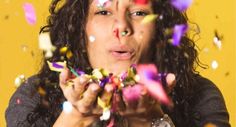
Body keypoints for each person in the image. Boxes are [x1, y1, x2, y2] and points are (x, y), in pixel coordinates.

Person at [5, 0, 230, 127]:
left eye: (139, 12)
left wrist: (150, 120)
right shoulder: (34, 95)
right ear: (79, 29)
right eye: (103, 11)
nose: (121, 26)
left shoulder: (200, 94)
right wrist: (76, 117)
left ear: (159, 30)